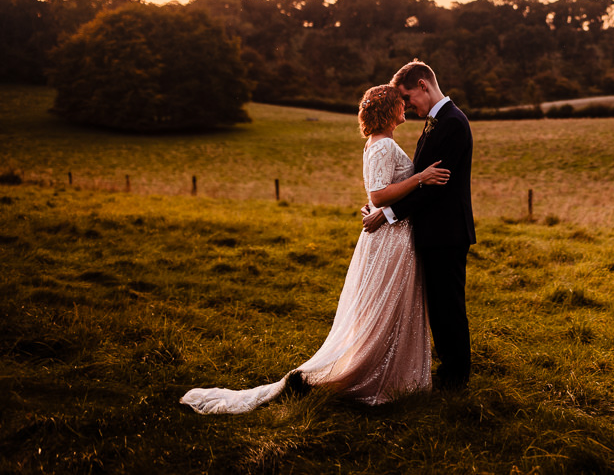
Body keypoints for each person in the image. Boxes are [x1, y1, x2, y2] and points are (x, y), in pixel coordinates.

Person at [180, 84, 449, 414]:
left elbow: (376, 197)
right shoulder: (382, 147)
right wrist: (420, 177)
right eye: (400, 102)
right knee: (385, 307)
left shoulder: (380, 144)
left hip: (392, 233)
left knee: (391, 307)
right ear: (388, 111)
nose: (404, 106)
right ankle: (374, 375)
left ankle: (393, 373)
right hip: (390, 238)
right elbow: (379, 195)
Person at [362, 59, 475, 390]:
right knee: (439, 307)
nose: (407, 106)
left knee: (448, 306)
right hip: (435, 230)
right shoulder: (437, 122)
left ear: (423, 85)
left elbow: (433, 187)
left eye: (408, 97)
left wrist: (387, 213)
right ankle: (448, 371)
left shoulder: (452, 122)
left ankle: (456, 377)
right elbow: (419, 180)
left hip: (447, 231)